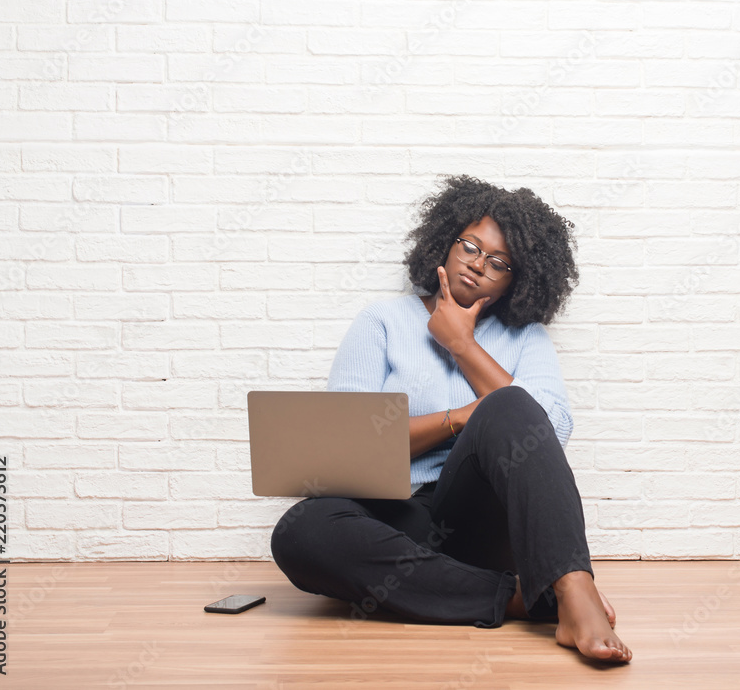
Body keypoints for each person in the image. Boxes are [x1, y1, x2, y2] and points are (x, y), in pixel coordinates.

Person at [270, 175, 632, 663]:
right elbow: (345, 445)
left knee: (510, 404)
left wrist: (462, 344)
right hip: (396, 516)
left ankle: (573, 589)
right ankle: (522, 599)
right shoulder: (383, 321)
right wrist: (459, 418)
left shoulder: (524, 338)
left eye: (499, 263)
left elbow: (547, 428)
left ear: (515, 281)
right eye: (470, 247)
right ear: (446, 242)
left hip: (478, 519)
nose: (478, 265)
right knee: (301, 531)